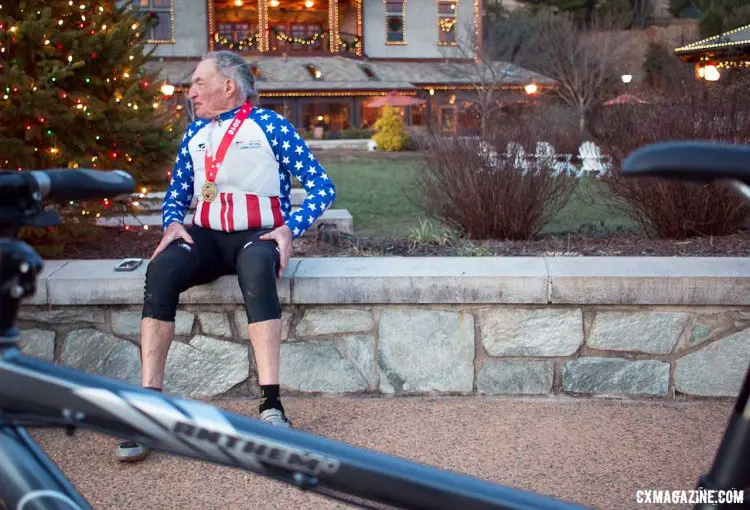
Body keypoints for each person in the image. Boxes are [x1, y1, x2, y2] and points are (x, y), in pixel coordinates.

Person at [116, 50, 336, 462]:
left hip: (258, 235)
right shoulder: (195, 133)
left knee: (256, 264)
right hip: (207, 237)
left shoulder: (271, 126)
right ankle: (149, 407)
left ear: (228, 86)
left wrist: (290, 229)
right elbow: (177, 193)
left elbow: (322, 186)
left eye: (200, 82)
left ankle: (271, 405)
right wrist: (171, 222)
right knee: (161, 267)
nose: (191, 91)